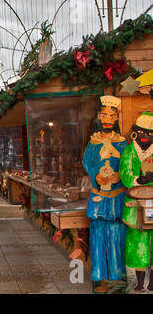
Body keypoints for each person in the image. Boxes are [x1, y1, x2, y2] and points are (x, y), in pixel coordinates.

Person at [82, 96, 128, 293]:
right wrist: (96, 175)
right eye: (104, 115)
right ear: (98, 117)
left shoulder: (123, 143)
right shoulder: (93, 143)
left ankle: (118, 277)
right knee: (98, 236)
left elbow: (128, 165)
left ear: (117, 118)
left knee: (117, 236)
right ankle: (99, 276)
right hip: (99, 197)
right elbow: (87, 162)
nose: (108, 119)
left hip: (118, 198)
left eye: (112, 115)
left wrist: (120, 175)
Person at [119, 112, 153, 292]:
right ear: (135, 133)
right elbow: (124, 173)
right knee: (137, 244)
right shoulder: (129, 151)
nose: (145, 137)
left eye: (149, 133)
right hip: (135, 206)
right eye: (142, 133)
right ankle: (138, 283)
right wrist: (138, 180)